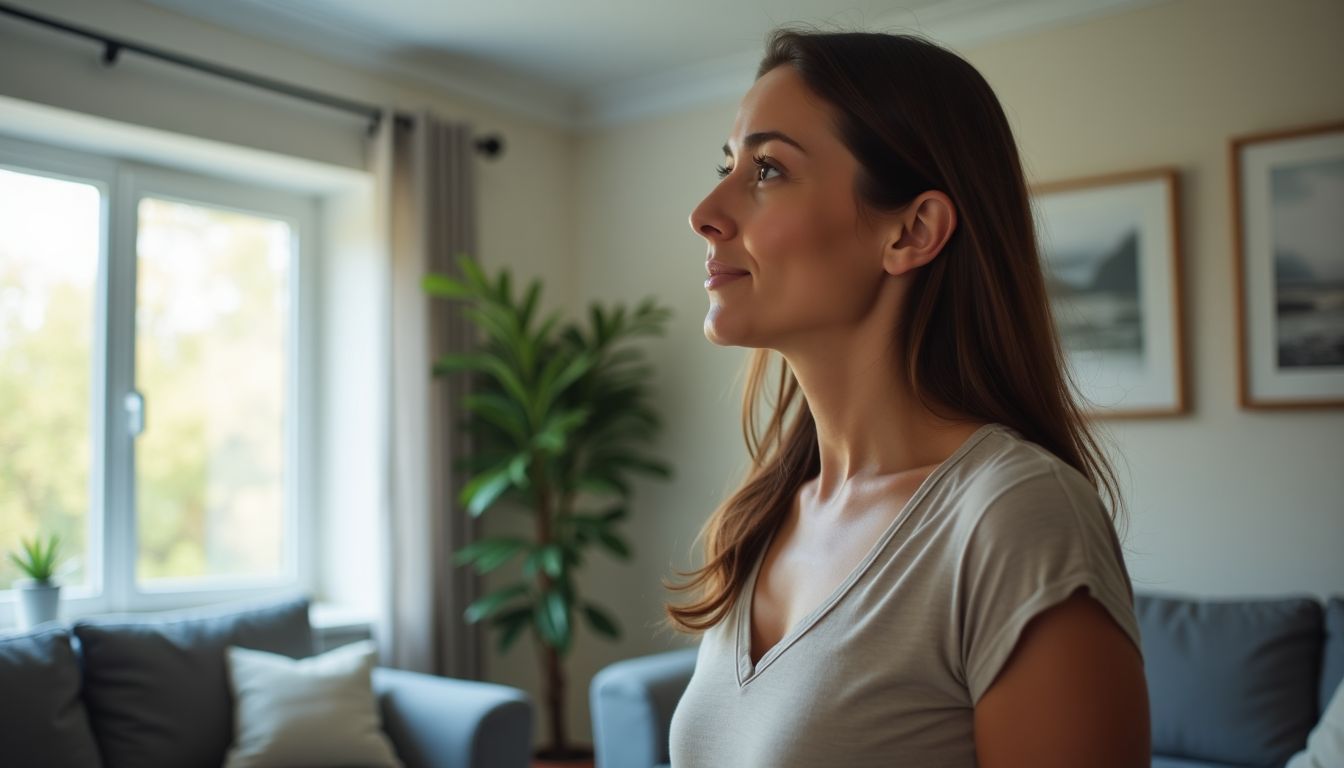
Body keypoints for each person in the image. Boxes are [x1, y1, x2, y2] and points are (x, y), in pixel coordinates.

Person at [664, 26, 1150, 768]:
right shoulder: (765, 518)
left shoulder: (1017, 517)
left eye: (766, 170)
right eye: (728, 164)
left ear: (913, 231)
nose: (705, 210)